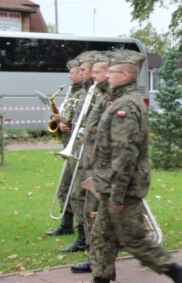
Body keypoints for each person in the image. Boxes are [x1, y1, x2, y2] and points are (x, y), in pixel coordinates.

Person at [89, 50, 182, 283]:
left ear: (126, 76)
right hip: (111, 184)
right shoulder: (121, 100)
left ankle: (177, 271)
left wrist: (117, 195)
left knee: (133, 238)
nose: (107, 76)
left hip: (122, 187)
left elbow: (125, 154)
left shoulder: (126, 107)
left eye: (112, 72)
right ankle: (101, 279)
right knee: (101, 237)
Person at [70, 51, 110, 273]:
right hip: (88, 156)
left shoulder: (109, 97)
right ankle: (93, 254)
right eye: (90, 71)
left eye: (96, 72)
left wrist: (91, 136)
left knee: (101, 213)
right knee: (87, 206)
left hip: (100, 161)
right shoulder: (97, 94)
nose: (92, 76)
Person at [60, 51, 98, 253]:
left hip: (91, 153)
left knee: (82, 196)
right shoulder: (88, 92)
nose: (79, 73)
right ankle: (82, 236)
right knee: (76, 195)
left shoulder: (96, 93)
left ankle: (87, 238)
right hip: (80, 149)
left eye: (83, 69)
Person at [45, 58, 85, 237]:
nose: (70, 75)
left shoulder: (84, 92)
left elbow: (82, 118)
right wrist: (58, 119)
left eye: (73, 72)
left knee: (76, 190)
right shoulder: (71, 91)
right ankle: (67, 224)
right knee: (64, 188)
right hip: (69, 144)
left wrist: (66, 123)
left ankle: (82, 231)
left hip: (78, 148)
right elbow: (68, 113)